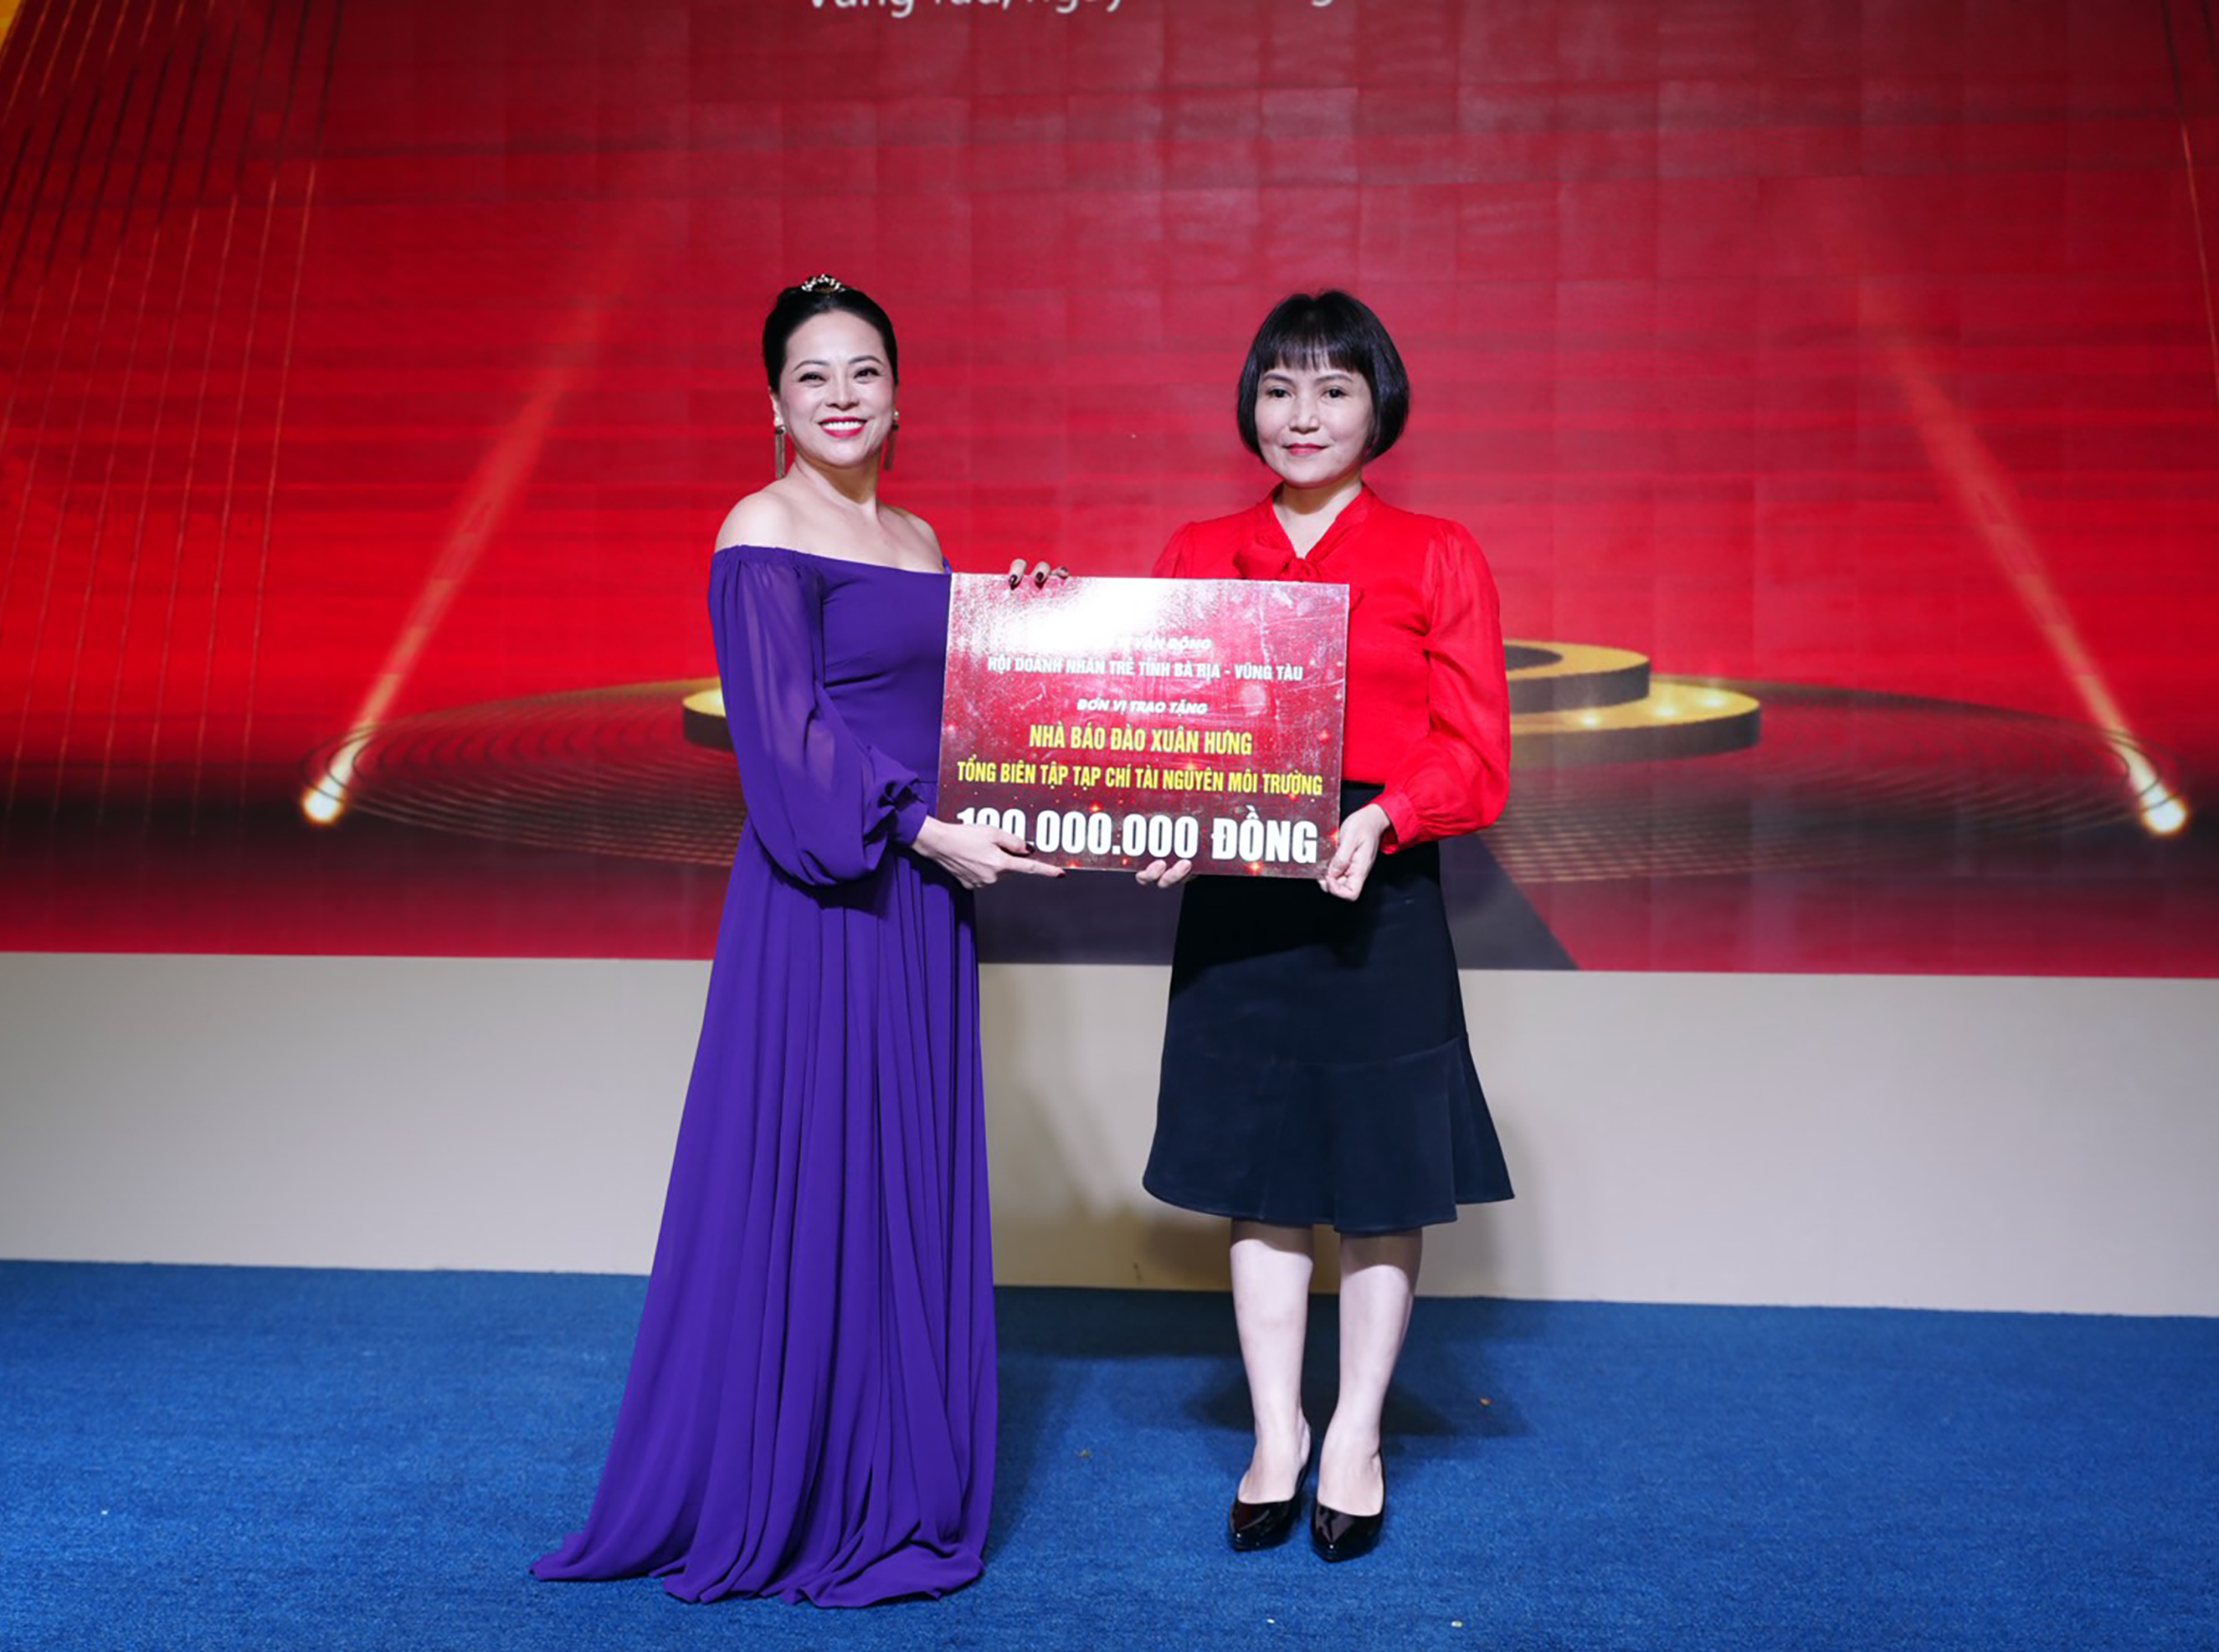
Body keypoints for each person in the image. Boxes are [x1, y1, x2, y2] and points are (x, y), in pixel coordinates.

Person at [533, 276, 1059, 1606]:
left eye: (863, 370)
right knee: (813, 1172)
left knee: (898, 1179)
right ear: (771, 401)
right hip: (826, 898)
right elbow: (785, 743)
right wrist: (923, 831)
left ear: (899, 394)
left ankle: (891, 1477)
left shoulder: (923, 537)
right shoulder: (758, 527)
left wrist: (1034, 618)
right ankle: (792, 1481)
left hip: (921, 903)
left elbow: (961, 706)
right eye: (812, 374)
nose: (840, 394)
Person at [1134, 290, 1514, 1564]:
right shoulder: (1198, 549)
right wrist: (1042, 624)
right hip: (1237, 894)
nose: (1303, 415)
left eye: (1333, 389)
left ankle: (1354, 1434)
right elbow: (1144, 710)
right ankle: (1275, 1432)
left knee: (1380, 1172)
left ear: (1378, 407)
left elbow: (1476, 752)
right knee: (1261, 1173)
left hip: (1376, 886)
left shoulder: (1438, 552)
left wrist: (1389, 813)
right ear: (1249, 405)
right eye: (1280, 388)